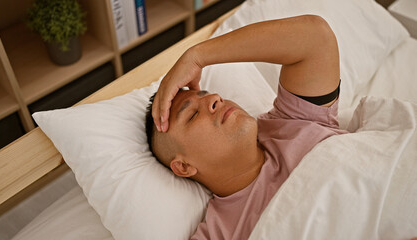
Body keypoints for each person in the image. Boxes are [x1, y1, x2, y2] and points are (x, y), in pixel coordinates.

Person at [146, 15, 348, 239]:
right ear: (183, 167)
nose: (215, 98)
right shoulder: (220, 234)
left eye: (208, 94)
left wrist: (196, 57)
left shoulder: (294, 122)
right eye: (192, 115)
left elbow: (316, 37)